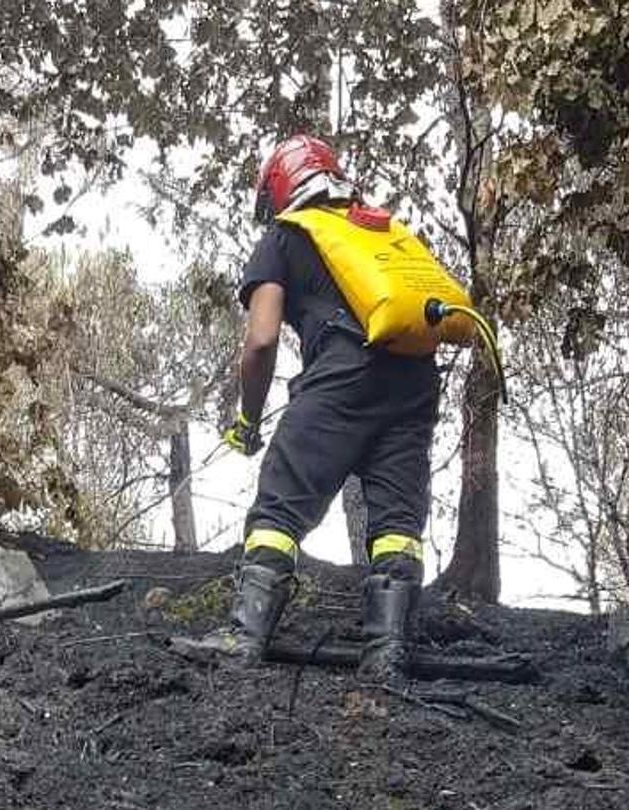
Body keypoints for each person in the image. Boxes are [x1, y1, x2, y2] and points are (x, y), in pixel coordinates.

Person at [173, 135, 465, 682]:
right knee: (398, 524)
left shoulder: (285, 237)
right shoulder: (381, 233)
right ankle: (387, 652)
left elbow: (260, 341)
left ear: (278, 189)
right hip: (415, 382)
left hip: (341, 377)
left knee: (280, 507)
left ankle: (242, 636)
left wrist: (248, 420)